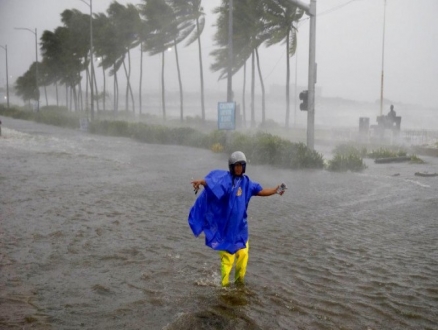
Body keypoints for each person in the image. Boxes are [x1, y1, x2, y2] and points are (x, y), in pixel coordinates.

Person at [188, 151, 285, 287]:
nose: (239, 168)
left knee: (243, 256)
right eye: (236, 165)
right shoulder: (227, 180)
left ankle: (240, 284)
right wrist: (202, 182)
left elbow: (261, 191)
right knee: (227, 260)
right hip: (226, 230)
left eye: (241, 165)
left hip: (241, 230)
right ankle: (224, 287)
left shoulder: (247, 183)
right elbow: (214, 183)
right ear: (231, 166)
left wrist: (275, 190)